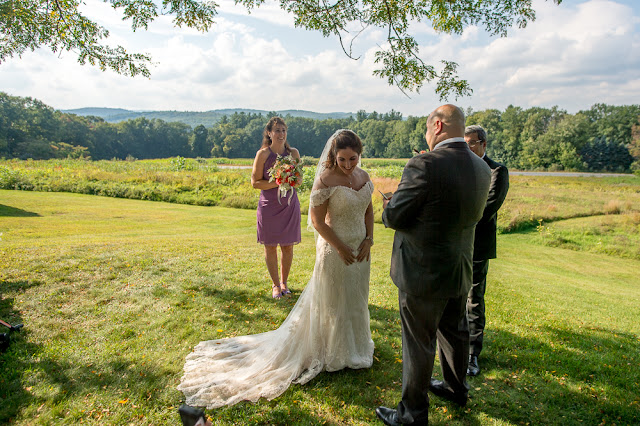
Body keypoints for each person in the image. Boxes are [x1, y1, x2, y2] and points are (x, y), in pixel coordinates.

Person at [178, 129, 375, 409]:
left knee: (356, 297)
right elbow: (318, 223)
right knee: (333, 300)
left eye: (353, 159)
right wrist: (341, 247)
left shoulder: (363, 176)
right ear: (333, 156)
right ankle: (333, 352)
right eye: (342, 159)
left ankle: (354, 347)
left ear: (360, 154)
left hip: (361, 250)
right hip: (334, 250)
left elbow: (367, 208)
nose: (347, 165)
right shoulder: (325, 179)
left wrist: (369, 238)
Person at [376, 105, 491, 425]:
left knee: (419, 341)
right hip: (459, 266)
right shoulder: (482, 167)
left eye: (428, 131)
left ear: (437, 126)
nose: (427, 137)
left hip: (422, 270)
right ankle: (457, 387)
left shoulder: (424, 164)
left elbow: (396, 216)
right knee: (456, 331)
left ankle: (412, 413)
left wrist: (389, 205)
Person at [464, 125, 509, 376]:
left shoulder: (497, 171)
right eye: (464, 143)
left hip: (477, 244)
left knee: (474, 299)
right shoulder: (461, 167)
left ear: (483, 144)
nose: (468, 147)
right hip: (455, 243)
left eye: (472, 143)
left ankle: (472, 355)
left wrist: (460, 220)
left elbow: (488, 207)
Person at [251, 117, 301, 299]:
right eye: (277, 130)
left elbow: (299, 180)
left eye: (283, 130)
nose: (281, 134)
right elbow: (255, 183)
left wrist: (291, 179)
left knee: (288, 246)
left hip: (289, 205)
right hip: (269, 207)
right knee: (270, 246)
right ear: (269, 133)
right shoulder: (263, 154)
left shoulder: (293, 153)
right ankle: (275, 284)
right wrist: (278, 181)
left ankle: (285, 282)